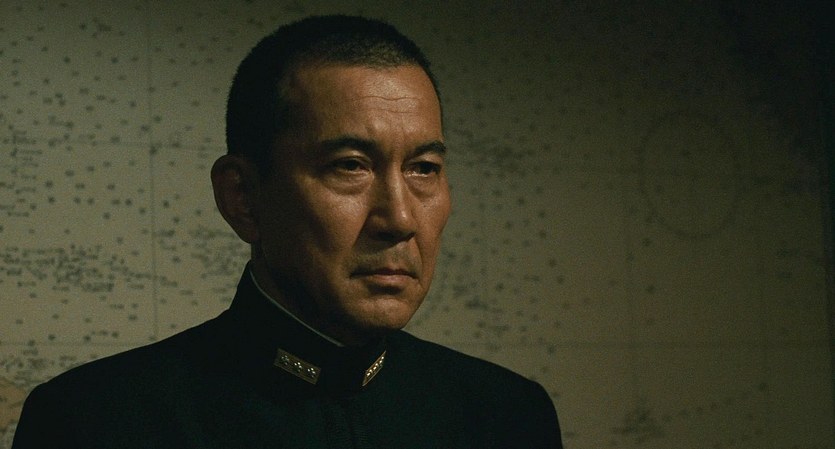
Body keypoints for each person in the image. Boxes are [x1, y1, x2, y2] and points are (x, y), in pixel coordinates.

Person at [12, 15, 563, 448]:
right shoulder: (95, 422)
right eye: (350, 165)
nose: (399, 219)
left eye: (423, 168)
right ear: (243, 198)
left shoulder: (506, 415)